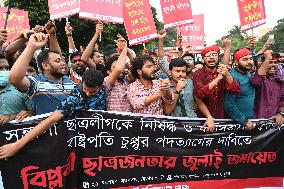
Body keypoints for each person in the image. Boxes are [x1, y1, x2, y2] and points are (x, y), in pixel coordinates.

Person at [0, 69, 106, 159]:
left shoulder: (105, 88)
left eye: (92, 92)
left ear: (100, 87)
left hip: (100, 138)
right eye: (85, 90)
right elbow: (51, 120)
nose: (88, 94)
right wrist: (17, 145)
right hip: (78, 142)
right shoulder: (74, 98)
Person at [8, 32, 75, 115]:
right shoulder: (37, 83)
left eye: (62, 60)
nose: (63, 63)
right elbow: (14, 79)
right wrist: (31, 46)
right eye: (58, 61)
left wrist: (53, 35)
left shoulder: (69, 81)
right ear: (46, 65)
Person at [164, 58, 215, 132]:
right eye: (177, 71)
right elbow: (167, 111)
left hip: (192, 122)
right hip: (174, 126)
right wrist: (177, 90)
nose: (181, 74)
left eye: (183, 71)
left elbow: (199, 102)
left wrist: (209, 117)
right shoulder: (165, 85)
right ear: (170, 72)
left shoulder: (191, 83)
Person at [192, 45, 240, 118]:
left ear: (218, 57)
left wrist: (227, 75)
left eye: (214, 55)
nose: (211, 57)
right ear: (203, 59)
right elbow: (200, 94)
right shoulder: (198, 74)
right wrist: (217, 79)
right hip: (203, 118)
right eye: (207, 55)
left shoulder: (225, 71)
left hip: (222, 116)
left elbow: (236, 90)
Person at [224, 48, 255, 130]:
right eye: (245, 59)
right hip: (237, 124)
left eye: (251, 59)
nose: (249, 62)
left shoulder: (249, 74)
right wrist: (243, 120)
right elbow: (228, 104)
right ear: (236, 62)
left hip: (252, 121)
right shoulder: (231, 77)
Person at [251, 51, 284, 126]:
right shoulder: (257, 77)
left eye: (275, 62)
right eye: (270, 62)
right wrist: (266, 59)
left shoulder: (280, 80)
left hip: (272, 124)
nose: (273, 65)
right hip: (254, 123)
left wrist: (280, 114)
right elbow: (255, 82)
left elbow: (282, 100)